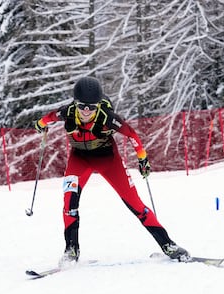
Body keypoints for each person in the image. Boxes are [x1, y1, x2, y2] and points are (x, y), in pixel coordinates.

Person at [35, 76, 189, 265]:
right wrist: (40, 124)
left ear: (98, 105)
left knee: (136, 204)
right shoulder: (66, 112)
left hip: (109, 160)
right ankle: (71, 250)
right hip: (79, 160)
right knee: (69, 202)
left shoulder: (108, 118)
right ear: (75, 103)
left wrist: (142, 158)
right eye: (82, 105)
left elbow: (132, 135)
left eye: (91, 107)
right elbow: (48, 118)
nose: (86, 111)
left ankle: (168, 245)